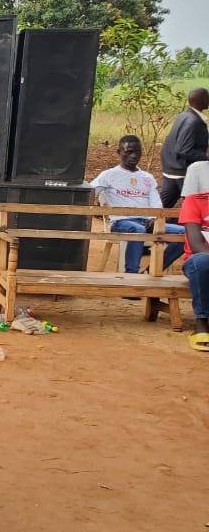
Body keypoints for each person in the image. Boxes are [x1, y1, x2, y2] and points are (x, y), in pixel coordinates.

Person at [92, 135, 185, 273]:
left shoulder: (147, 178)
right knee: (138, 230)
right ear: (119, 152)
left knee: (184, 234)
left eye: (137, 152)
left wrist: (154, 219)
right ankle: (132, 275)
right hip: (121, 222)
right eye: (129, 152)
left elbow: (156, 204)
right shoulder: (108, 175)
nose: (134, 156)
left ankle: (152, 269)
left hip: (147, 222)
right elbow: (89, 192)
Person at [158, 87, 209, 207]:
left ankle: (149, 224)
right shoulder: (193, 121)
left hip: (171, 169)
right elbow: (183, 149)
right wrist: (206, 157)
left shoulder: (184, 116)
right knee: (197, 208)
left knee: (161, 210)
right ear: (202, 100)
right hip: (183, 172)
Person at [179, 161, 209, 351]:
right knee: (203, 261)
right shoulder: (195, 201)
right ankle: (202, 322)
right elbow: (197, 245)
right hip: (198, 261)